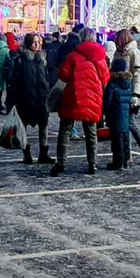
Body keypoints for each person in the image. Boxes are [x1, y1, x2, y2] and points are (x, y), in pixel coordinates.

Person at [50, 27, 109, 176]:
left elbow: (63, 75)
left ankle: (61, 162)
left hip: (73, 96)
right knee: (91, 132)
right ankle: (92, 163)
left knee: (65, 130)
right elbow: (106, 78)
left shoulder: (73, 56)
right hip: (93, 98)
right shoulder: (101, 56)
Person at [9, 33, 51, 164]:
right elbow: (15, 80)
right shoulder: (21, 59)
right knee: (23, 127)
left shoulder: (42, 58)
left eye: (38, 42)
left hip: (41, 98)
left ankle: (43, 154)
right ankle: (26, 154)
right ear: (28, 43)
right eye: (34, 42)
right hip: (25, 98)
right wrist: (13, 100)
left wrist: (48, 91)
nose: (37, 44)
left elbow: (47, 77)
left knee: (43, 126)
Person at [115, 29, 140, 165]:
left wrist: (136, 94)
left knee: (130, 124)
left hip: (130, 92)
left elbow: (138, 74)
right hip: (120, 92)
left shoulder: (134, 52)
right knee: (125, 126)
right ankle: (128, 154)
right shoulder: (119, 52)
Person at [105, 55, 134, 170]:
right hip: (125, 115)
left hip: (115, 115)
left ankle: (118, 162)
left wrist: (105, 112)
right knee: (125, 138)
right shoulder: (128, 84)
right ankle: (126, 160)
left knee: (117, 140)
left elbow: (108, 101)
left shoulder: (112, 84)